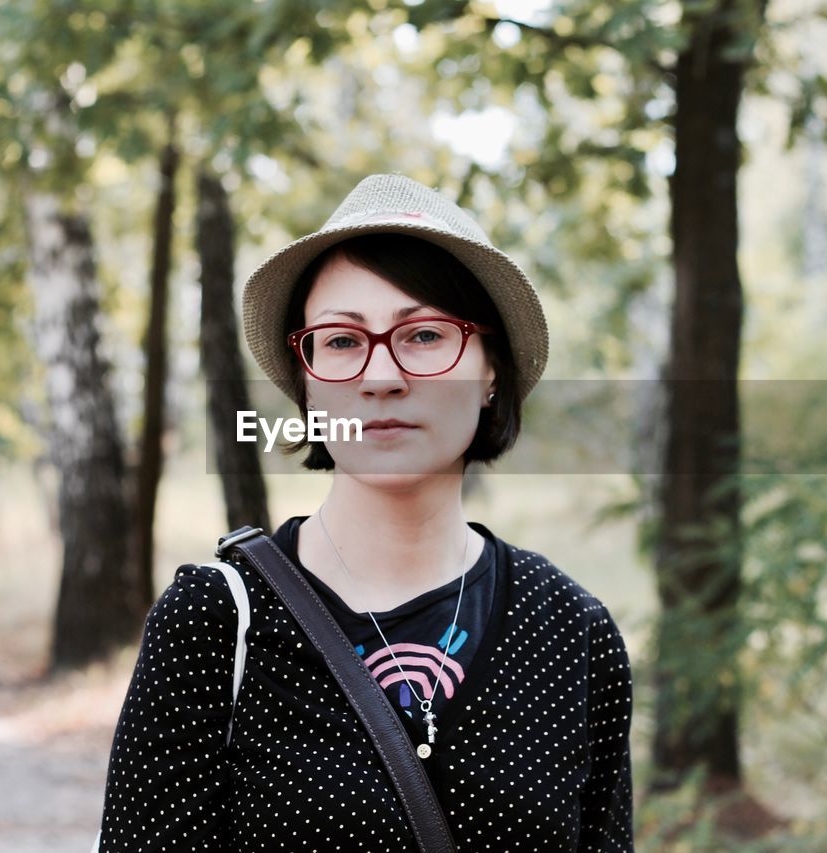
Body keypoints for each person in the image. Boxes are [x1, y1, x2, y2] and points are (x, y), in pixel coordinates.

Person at [96, 174, 634, 851]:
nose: (381, 376)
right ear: (308, 383)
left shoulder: (571, 631)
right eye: (343, 341)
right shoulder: (215, 621)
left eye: (425, 334)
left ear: (491, 369)